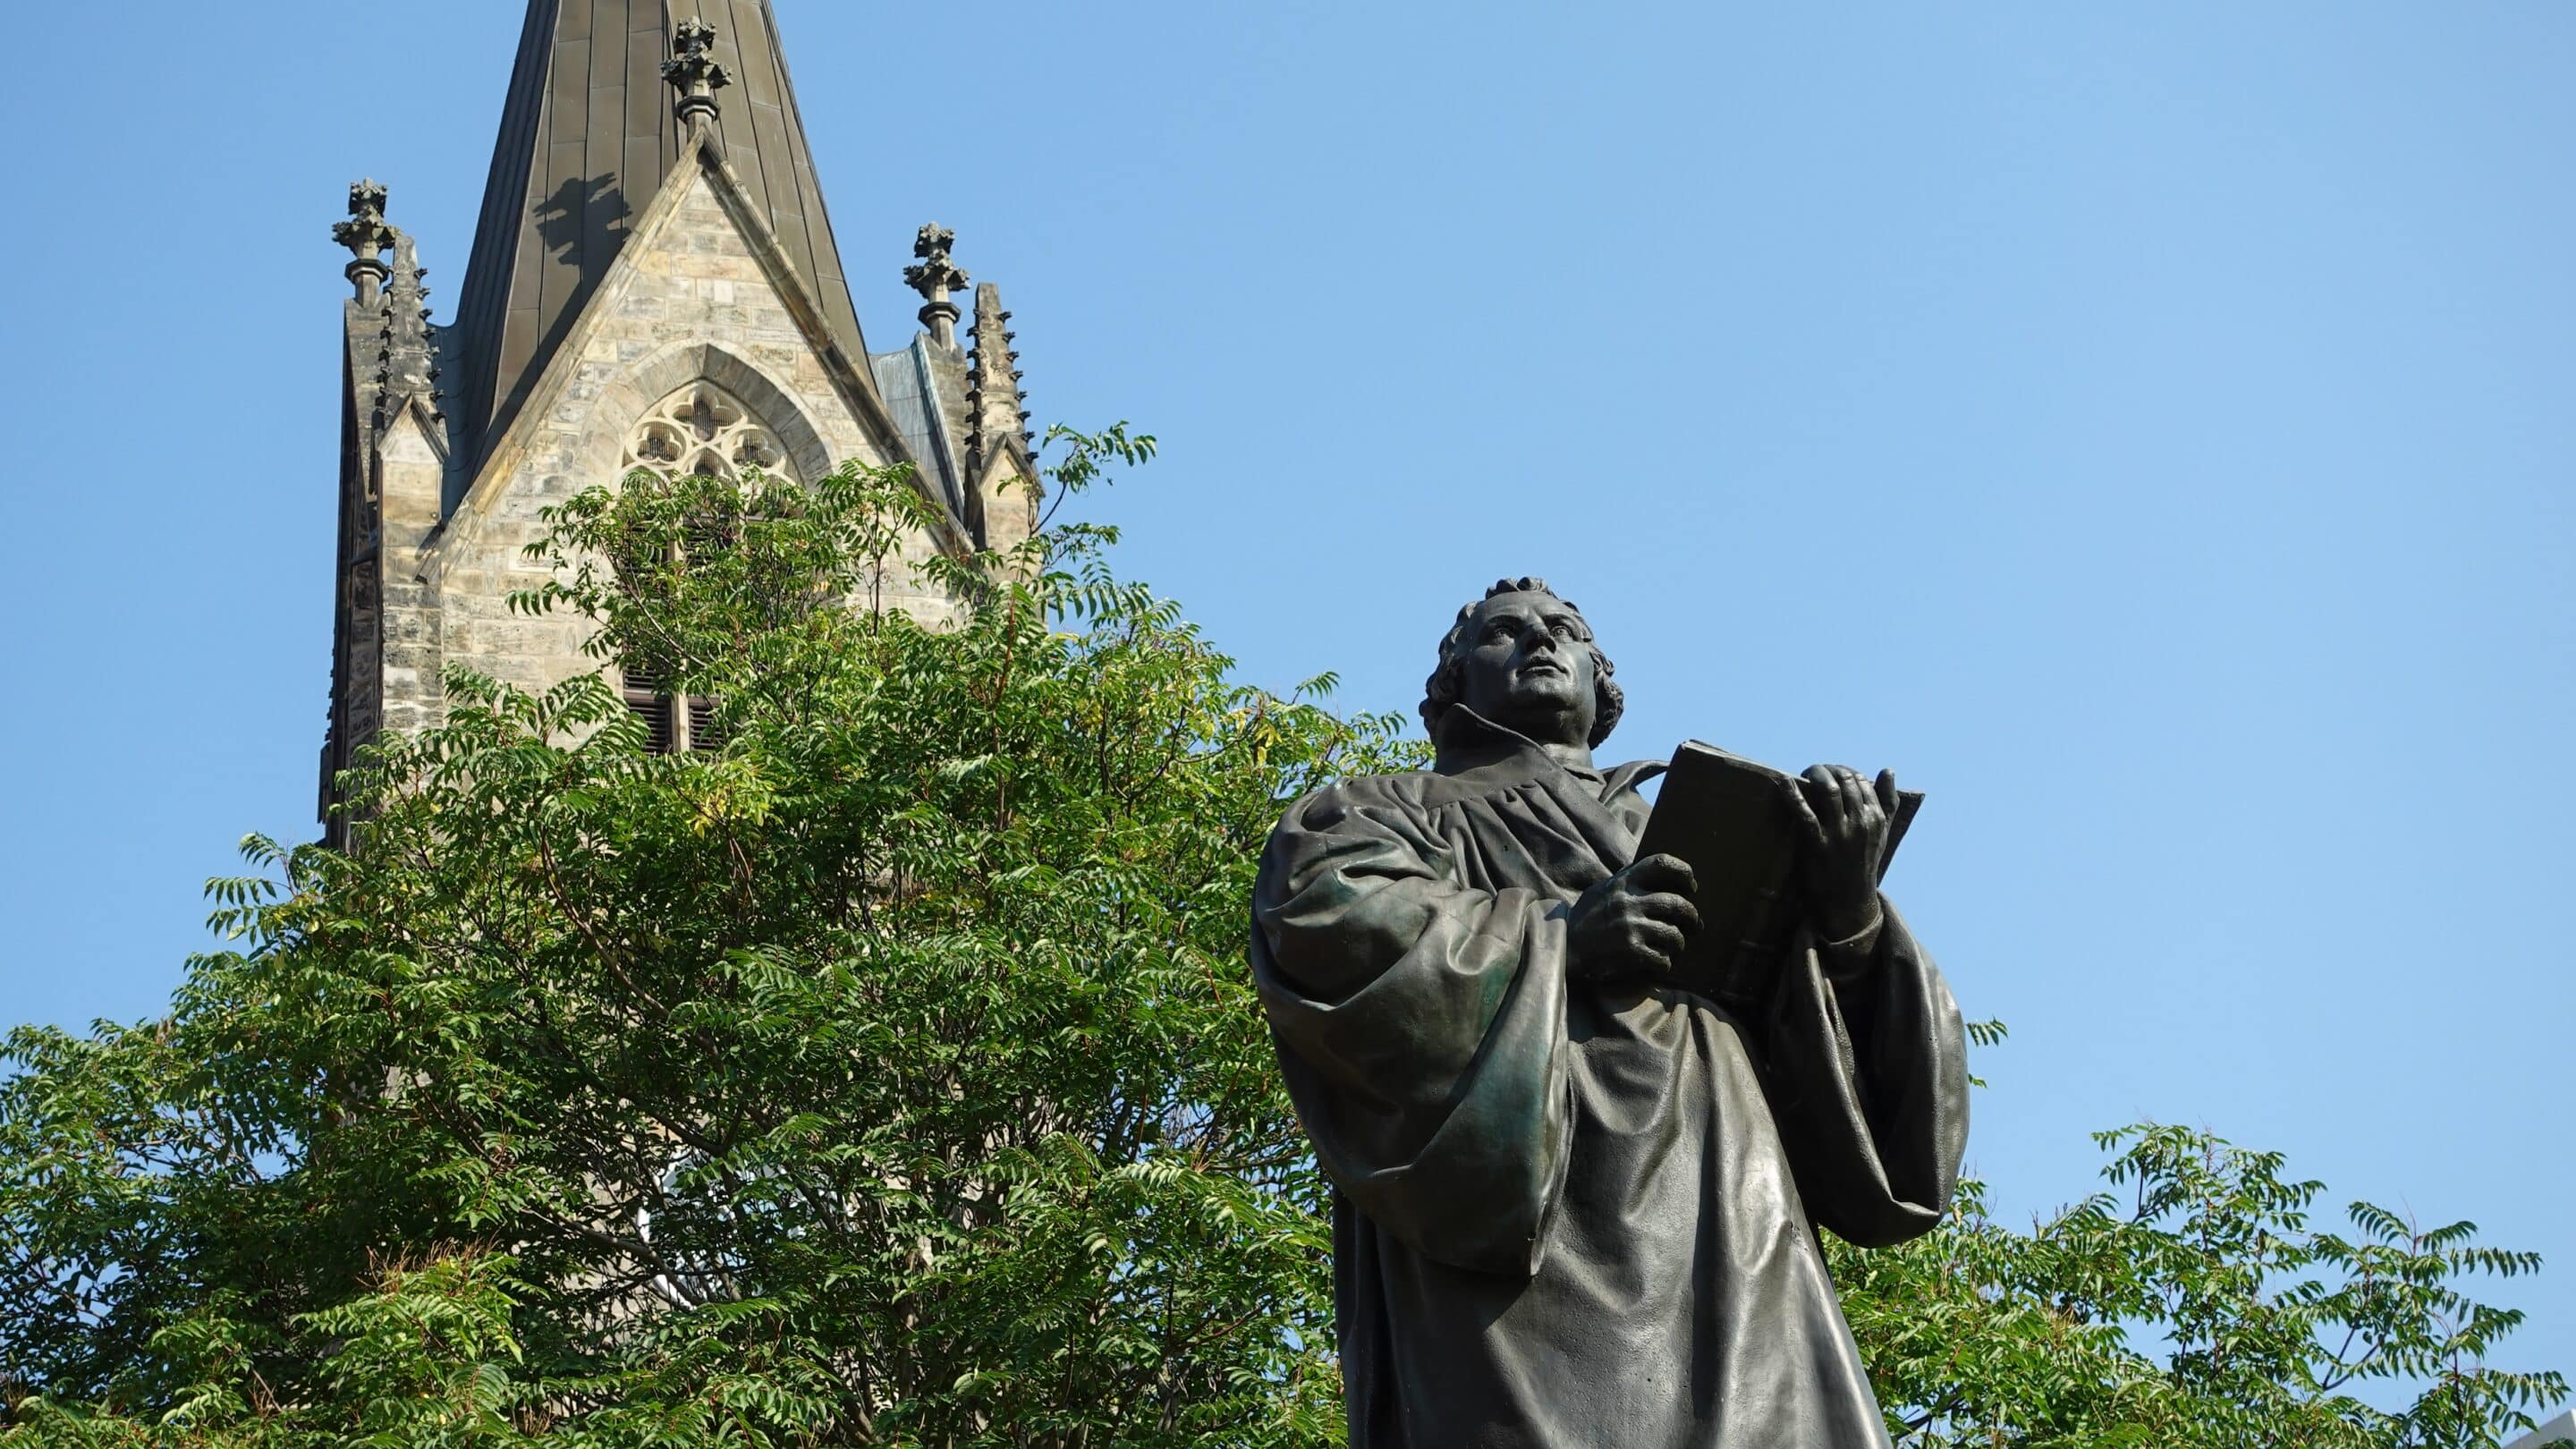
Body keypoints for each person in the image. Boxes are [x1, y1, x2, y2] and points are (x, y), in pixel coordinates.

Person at [1250, 577, 1969, 1448]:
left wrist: (1847, 916)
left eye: (1564, 632)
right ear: (1450, 687)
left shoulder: (1682, 824)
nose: (1540, 643)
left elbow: (1861, 1110)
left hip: (1726, 1203)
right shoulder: (1381, 810)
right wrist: (1561, 936)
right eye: (1504, 634)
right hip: (1526, 1223)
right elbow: (1330, 925)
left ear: (1602, 679)